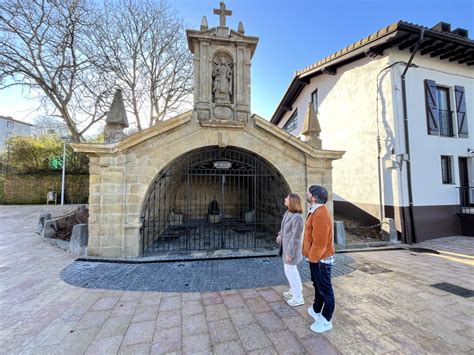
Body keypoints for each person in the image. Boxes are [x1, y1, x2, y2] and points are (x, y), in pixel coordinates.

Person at [302, 185, 335, 333]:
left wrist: (313, 259)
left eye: (308, 193)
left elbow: (320, 241)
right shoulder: (315, 211)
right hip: (316, 258)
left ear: (314, 197)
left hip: (320, 259)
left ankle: (326, 319)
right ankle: (316, 309)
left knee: (325, 289)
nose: (306, 195)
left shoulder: (321, 213)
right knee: (318, 285)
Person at [276, 193, 305, 307]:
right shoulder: (288, 213)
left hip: (291, 250)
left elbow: (296, 237)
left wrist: (290, 253)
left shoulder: (297, 218)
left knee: (290, 272)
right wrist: (280, 235)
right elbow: (283, 228)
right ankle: (295, 290)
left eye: (287, 198)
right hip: (286, 247)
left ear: (292, 201)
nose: (285, 199)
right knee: (291, 270)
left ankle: (298, 297)